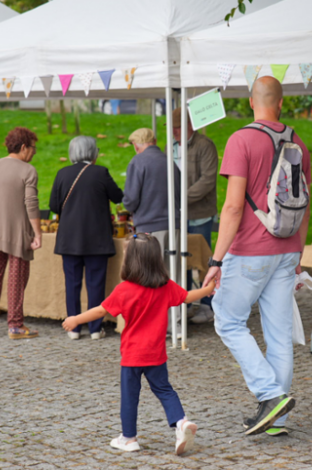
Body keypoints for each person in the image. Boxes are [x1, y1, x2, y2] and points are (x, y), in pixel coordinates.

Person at [202, 76, 311, 437]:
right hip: (287, 249)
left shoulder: (241, 140)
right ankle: (275, 420)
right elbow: (306, 206)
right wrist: (299, 250)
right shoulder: (299, 143)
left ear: (251, 102)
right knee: (278, 335)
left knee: (227, 320)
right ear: (281, 103)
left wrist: (215, 261)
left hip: (249, 250)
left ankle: (269, 396)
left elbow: (233, 207)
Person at [62, 233, 214, 455]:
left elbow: (101, 310)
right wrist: (208, 290)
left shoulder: (124, 290)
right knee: (164, 389)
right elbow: (188, 297)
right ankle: (180, 422)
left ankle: (129, 438)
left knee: (130, 397)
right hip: (156, 353)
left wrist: (75, 319)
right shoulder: (166, 286)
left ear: (131, 261)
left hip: (132, 355)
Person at [50, 136, 123, 340]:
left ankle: (73, 328)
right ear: (93, 153)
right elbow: (118, 196)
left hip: (69, 239)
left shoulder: (62, 173)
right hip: (96, 239)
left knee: (72, 284)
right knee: (95, 284)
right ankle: (94, 328)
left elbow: (54, 206)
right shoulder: (100, 172)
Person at [0, 127, 42, 339]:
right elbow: (31, 204)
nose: (34, 153)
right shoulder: (28, 170)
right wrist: (38, 233)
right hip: (18, 234)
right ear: (23, 147)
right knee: (16, 279)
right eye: (33, 148)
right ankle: (15, 326)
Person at [122, 128, 181, 333]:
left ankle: (154, 324)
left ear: (137, 145)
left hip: (148, 228)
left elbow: (130, 200)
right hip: (173, 226)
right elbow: (180, 194)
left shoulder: (137, 162)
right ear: (154, 141)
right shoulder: (171, 163)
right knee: (172, 275)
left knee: (148, 276)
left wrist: (128, 207)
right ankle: (176, 324)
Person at [170, 107, 219, 324]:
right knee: (182, 262)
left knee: (203, 262)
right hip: (177, 215)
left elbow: (208, 180)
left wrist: (180, 198)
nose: (174, 131)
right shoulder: (169, 146)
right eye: (171, 127)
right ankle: (186, 303)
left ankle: (208, 305)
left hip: (199, 214)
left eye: (178, 127)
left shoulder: (205, 145)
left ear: (190, 126)